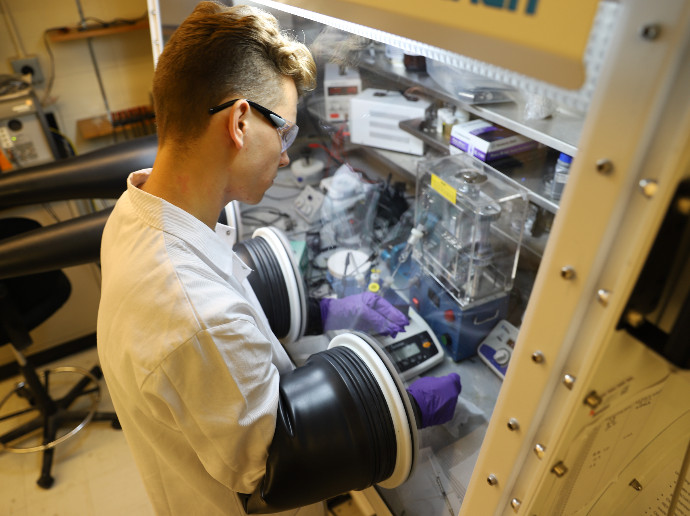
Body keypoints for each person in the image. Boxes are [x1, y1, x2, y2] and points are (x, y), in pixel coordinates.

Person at [97, 2, 461, 515]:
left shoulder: (138, 209)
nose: (286, 155)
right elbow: (270, 466)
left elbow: (218, 314)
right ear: (241, 122)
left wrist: (320, 313)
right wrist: (405, 408)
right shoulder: (194, 315)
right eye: (285, 132)